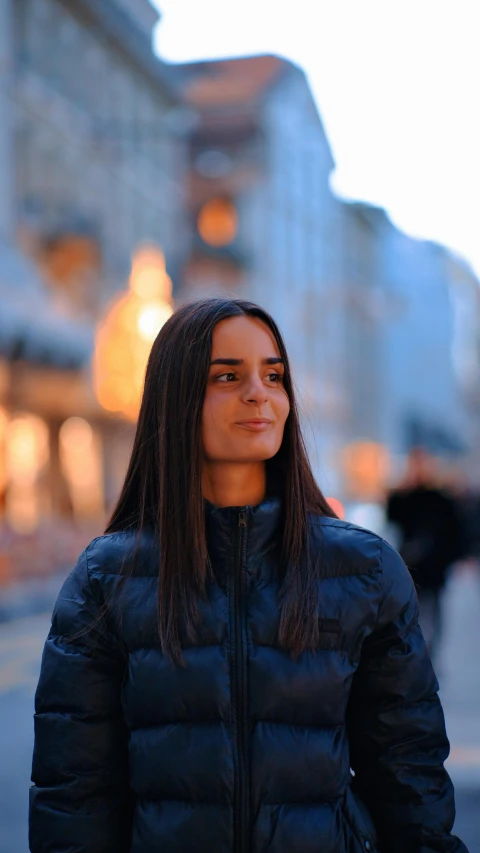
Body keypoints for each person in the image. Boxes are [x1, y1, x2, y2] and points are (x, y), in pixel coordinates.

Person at [29, 299, 468, 853]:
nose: (259, 392)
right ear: (176, 399)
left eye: (274, 375)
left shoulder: (365, 571)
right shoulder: (107, 578)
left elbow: (410, 776)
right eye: (227, 375)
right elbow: (74, 795)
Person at [386, 447, 465, 661]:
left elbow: (454, 531)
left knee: (433, 611)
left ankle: (430, 654)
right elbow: (392, 517)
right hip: (412, 565)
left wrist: (452, 558)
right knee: (413, 611)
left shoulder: (440, 498)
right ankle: (417, 654)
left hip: (434, 566)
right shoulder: (406, 496)